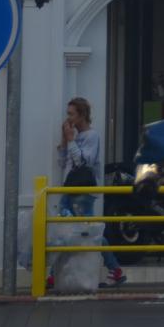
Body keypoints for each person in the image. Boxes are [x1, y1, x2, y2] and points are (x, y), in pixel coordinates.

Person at [56, 97, 124, 288]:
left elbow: (83, 162)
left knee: (88, 232)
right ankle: (54, 274)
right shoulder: (75, 137)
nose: (68, 118)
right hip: (68, 189)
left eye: (71, 114)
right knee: (64, 232)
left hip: (82, 193)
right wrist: (65, 141)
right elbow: (63, 163)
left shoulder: (91, 136)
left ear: (82, 115)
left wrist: (71, 141)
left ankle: (114, 268)